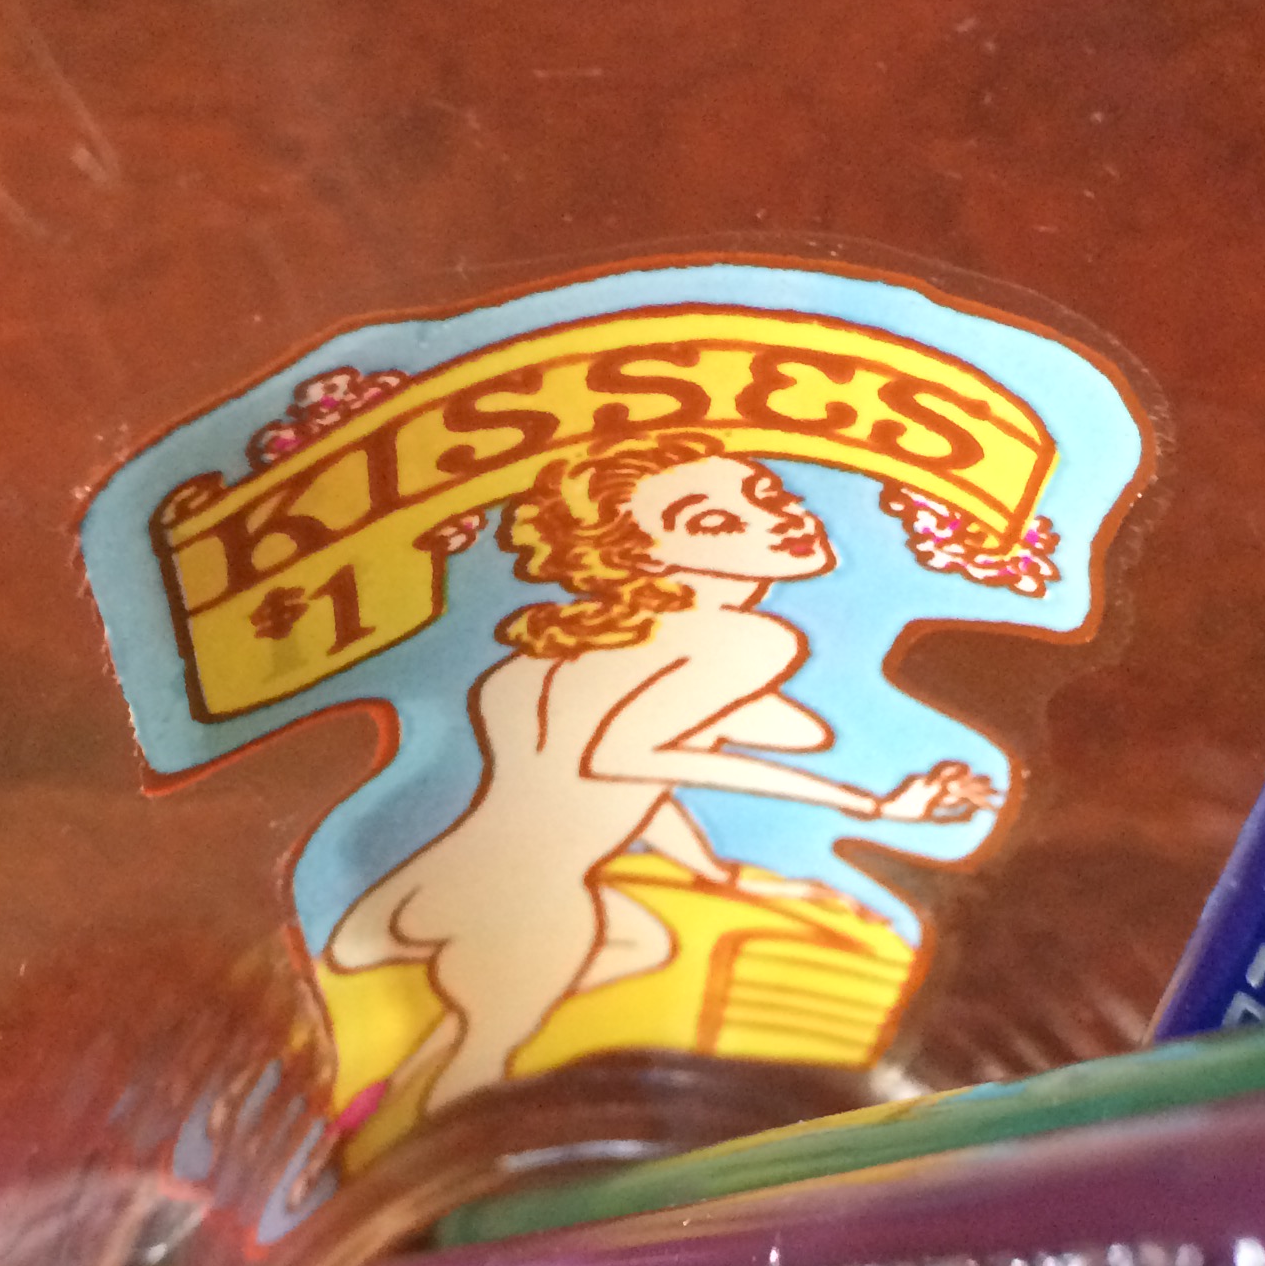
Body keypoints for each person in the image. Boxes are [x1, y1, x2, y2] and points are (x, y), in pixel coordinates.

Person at [324, 431, 1003, 1111]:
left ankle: (394, 1093)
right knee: (486, 1068)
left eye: (764, 491)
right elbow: (620, 758)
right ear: (642, 555)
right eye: (715, 522)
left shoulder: (578, 645)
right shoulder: (748, 639)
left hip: (445, 871)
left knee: (636, 946)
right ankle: (444, 1118)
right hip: (532, 893)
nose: (778, 516)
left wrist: (713, 873)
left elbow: (636, 792)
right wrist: (869, 805)